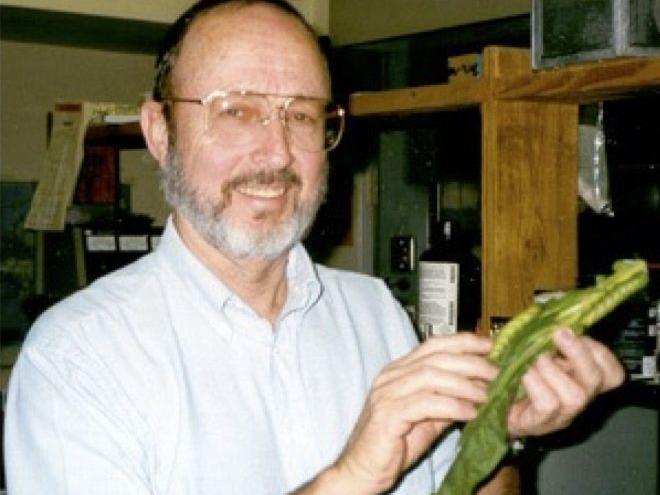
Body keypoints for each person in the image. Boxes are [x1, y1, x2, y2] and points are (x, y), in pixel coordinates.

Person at [4, 1, 625, 494]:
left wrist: (503, 434)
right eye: (237, 112)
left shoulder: (374, 311)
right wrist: (352, 478)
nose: (275, 154)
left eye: (301, 116)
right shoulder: (77, 355)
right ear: (159, 132)